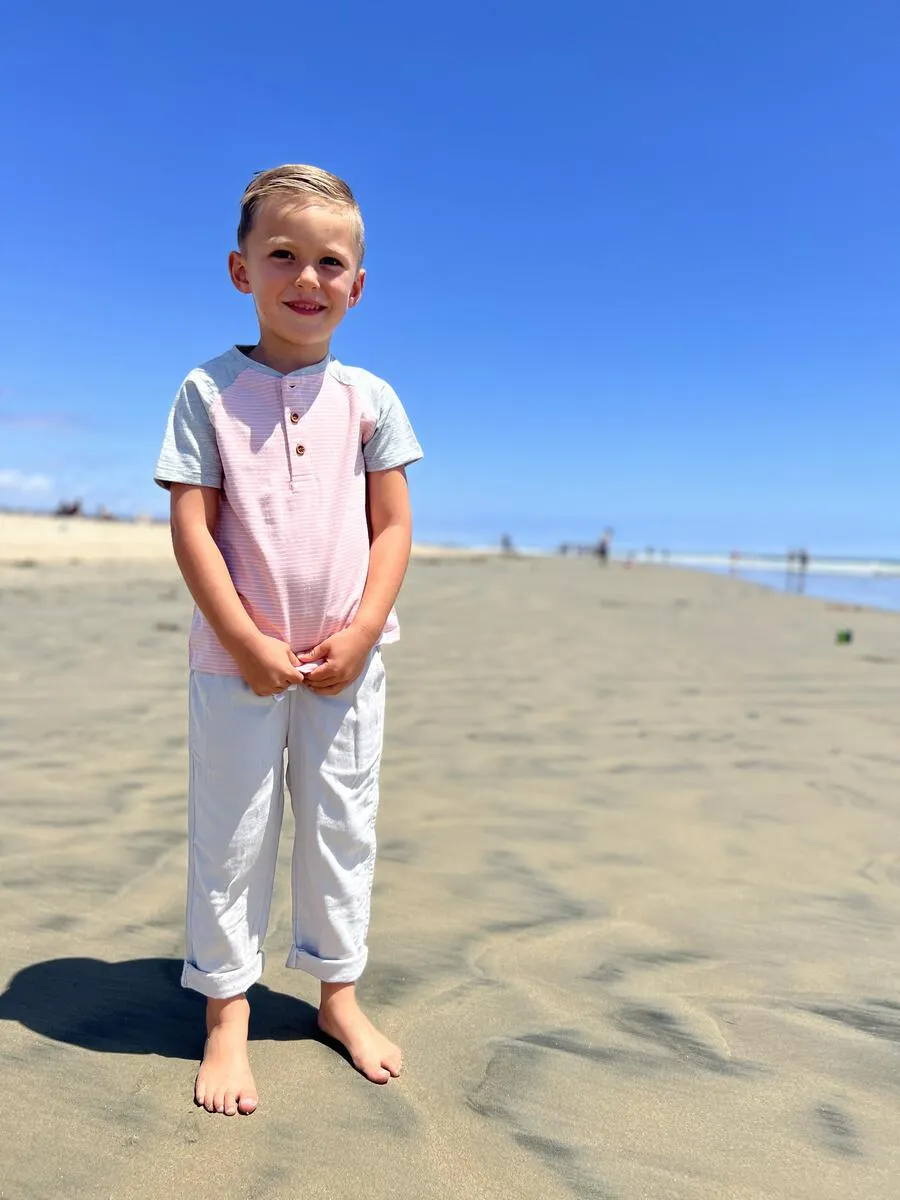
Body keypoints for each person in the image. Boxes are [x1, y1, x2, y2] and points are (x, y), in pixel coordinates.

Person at [154, 164, 423, 1117]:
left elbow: (391, 526)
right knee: (231, 834)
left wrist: (358, 634)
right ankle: (226, 1013)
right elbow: (193, 525)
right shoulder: (207, 390)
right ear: (241, 270)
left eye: (330, 262)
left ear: (358, 285)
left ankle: (336, 997)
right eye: (283, 255)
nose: (306, 277)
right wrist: (243, 636)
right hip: (238, 663)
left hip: (346, 664)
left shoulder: (371, 398)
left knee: (341, 827)